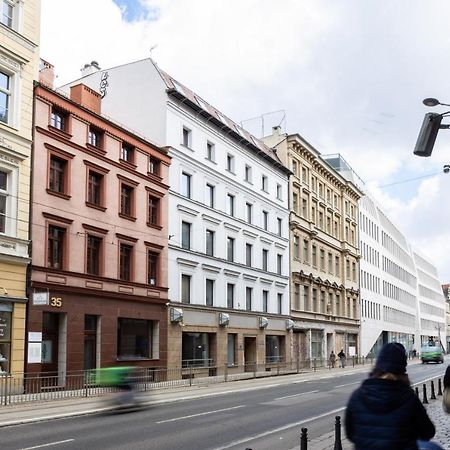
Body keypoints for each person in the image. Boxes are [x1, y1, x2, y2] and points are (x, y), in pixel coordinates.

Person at [345, 342, 442, 450]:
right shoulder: (407, 397)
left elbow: (350, 433)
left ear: (377, 367)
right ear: (402, 370)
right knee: (433, 447)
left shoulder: (357, 395)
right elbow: (428, 432)